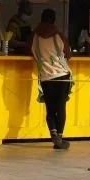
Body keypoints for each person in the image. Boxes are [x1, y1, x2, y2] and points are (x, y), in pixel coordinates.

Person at [31, 8, 72, 150]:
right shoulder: (58, 35)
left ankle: (54, 134)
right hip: (61, 76)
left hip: (45, 77)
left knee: (50, 108)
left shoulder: (35, 36)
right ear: (54, 20)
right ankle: (59, 137)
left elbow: (31, 51)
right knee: (60, 107)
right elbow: (68, 54)